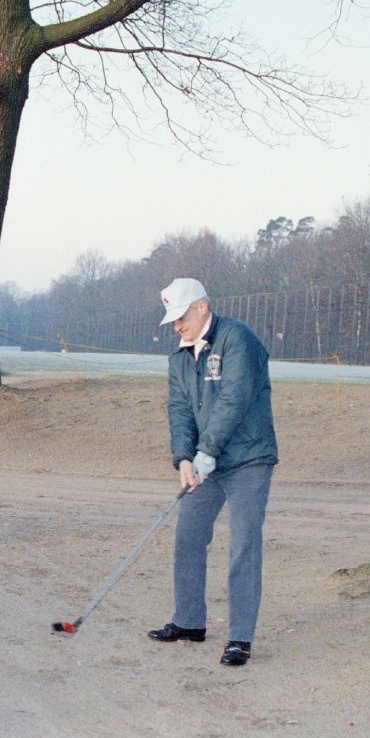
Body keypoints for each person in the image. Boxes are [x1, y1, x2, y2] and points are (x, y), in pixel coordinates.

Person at [148, 277, 279, 667]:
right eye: (172, 319)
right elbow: (180, 412)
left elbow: (235, 399)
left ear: (202, 307)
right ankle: (189, 621)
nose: (176, 326)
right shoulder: (179, 359)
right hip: (206, 463)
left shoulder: (239, 340)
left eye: (181, 316)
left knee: (243, 543)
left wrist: (207, 452)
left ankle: (240, 637)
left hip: (249, 460)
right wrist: (185, 458)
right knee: (188, 535)